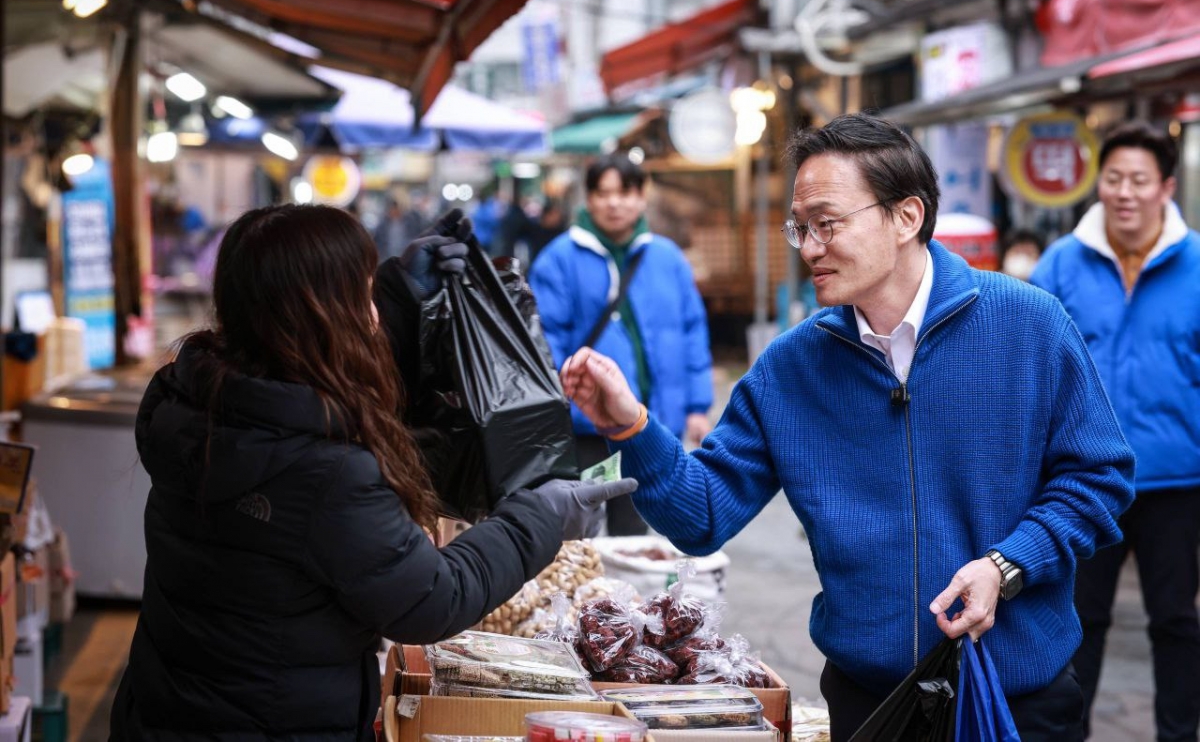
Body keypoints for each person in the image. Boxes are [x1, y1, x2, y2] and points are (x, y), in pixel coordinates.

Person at [560, 114, 1136, 740]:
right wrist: (630, 425)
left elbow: (1098, 480)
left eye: (827, 224)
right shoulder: (793, 365)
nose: (808, 247)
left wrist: (1006, 565)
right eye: (800, 227)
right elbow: (701, 514)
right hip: (869, 703)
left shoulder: (1029, 325)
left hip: (1017, 697)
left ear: (906, 217)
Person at [110, 204, 634, 740]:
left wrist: (401, 292)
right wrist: (537, 517)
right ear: (321, 313)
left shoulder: (198, 399)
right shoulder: (325, 468)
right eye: (362, 296)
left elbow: (321, 363)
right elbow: (430, 599)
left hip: (163, 710)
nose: (374, 315)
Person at [1031, 121, 1200, 742]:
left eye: (1139, 180)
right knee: (1080, 621)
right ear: (1098, 183)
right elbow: (1032, 370)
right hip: (1084, 482)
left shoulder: (1197, 265)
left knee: (1178, 622)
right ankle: (1072, 733)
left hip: (1177, 479)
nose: (1124, 192)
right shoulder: (1060, 264)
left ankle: (1180, 735)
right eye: (1114, 178)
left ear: (1166, 187)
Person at [531, 155, 714, 536]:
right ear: (589, 198)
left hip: (649, 424)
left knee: (636, 532)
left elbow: (692, 331)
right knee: (579, 538)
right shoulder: (558, 260)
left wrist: (697, 407)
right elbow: (544, 342)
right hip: (584, 429)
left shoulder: (667, 258)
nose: (614, 203)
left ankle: (626, 600)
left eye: (625, 193)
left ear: (641, 197)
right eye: (604, 193)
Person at [373, 195, 428, 261]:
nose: (393, 212)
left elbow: (416, 237)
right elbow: (378, 241)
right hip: (388, 257)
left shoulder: (410, 222)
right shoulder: (383, 225)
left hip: (405, 255)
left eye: (395, 209)